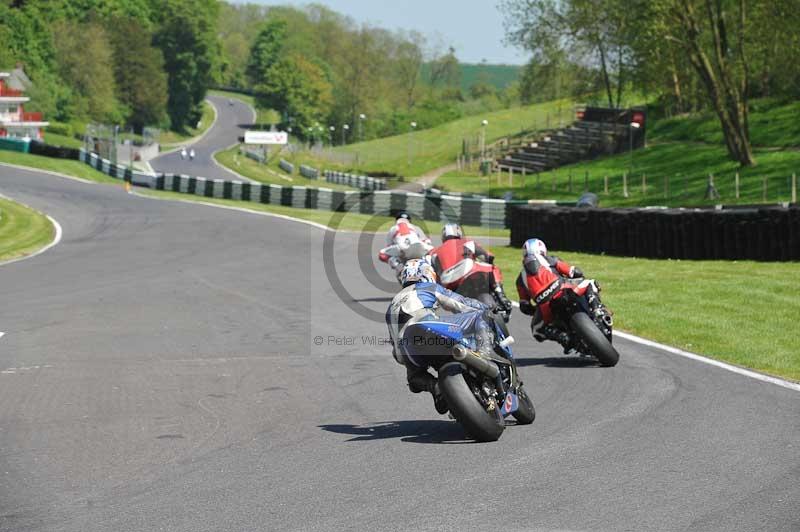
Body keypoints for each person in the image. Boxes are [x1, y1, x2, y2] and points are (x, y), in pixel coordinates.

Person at [385, 259, 492, 413]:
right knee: (479, 317)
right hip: (431, 332)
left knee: (414, 378)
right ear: (427, 273)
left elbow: (397, 354)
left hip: (408, 349)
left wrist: (409, 364)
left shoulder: (390, 307)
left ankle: (435, 387)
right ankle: (485, 357)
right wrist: (486, 308)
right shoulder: (426, 287)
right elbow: (461, 304)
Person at [515, 238, 608, 353]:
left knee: (536, 330)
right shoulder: (551, 259)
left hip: (545, 307)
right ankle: (596, 309)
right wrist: (574, 274)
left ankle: (563, 338)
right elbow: (574, 271)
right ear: (543, 249)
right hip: (563, 290)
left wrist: (535, 310)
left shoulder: (520, 280)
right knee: (590, 282)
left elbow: (524, 305)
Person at [428, 223, 513, 313]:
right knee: (493, 268)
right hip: (467, 271)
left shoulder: (434, 252)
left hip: (449, 283)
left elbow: (431, 272)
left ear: (443, 236)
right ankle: (501, 295)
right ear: (459, 233)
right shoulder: (467, 242)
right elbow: (488, 257)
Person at [378, 212, 432, 278]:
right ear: (409, 221)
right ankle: (428, 265)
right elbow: (427, 241)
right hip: (418, 247)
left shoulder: (393, 228)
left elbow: (389, 246)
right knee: (432, 252)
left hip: (403, 250)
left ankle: (398, 265)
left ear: (396, 220)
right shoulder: (416, 227)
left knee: (382, 253)